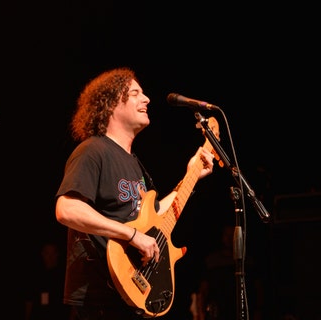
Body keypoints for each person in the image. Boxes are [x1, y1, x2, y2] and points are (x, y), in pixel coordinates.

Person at [54, 67, 216, 319]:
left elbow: (157, 215)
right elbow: (67, 209)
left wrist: (192, 175)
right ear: (110, 105)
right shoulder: (92, 150)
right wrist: (132, 236)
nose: (147, 99)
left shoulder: (134, 163)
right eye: (135, 93)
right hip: (99, 299)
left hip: (131, 297)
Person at [24, 241, 71, 320]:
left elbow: (72, 302)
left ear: (57, 254)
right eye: (47, 253)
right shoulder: (36, 276)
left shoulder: (65, 276)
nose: (50, 257)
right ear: (42, 254)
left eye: (53, 253)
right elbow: (29, 299)